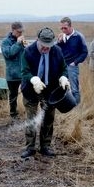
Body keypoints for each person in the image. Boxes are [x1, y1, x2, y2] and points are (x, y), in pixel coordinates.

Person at [21, 27, 70, 158]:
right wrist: (33, 79)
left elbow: (64, 68)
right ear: (38, 40)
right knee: (31, 119)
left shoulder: (57, 51)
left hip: (50, 90)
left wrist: (63, 77)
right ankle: (30, 148)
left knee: (48, 118)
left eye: (49, 46)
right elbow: (24, 71)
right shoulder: (28, 52)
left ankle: (45, 146)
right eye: (43, 46)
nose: (46, 49)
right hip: (31, 90)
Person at [57, 17, 88, 105]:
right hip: (62, 66)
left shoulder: (78, 36)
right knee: (62, 87)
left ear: (71, 26)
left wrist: (75, 62)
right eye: (61, 28)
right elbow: (57, 51)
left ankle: (76, 109)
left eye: (65, 28)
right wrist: (59, 43)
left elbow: (84, 52)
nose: (63, 30)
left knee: (74, 88)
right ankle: (66, 108)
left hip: (72, 66)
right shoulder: (61, 36)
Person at [1, 21, 26, 120]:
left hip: (23, 73)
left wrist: (26, 47)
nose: (20, 33)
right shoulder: (5, 42)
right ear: (13, 30)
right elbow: (9, 54)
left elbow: (25, 55)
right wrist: (18, 43)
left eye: (21, 31)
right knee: (13, 96)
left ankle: (28, 112)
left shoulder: (21, 41)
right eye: (18, 32)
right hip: (12, 74)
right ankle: (13, 115)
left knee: (27, 94)